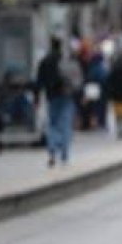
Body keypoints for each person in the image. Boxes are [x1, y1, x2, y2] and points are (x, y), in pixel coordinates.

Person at [36, 37, 82, 167]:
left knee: (52, 124)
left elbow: (39, 81)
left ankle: (52, 150)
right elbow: (77, 80)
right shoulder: (66, 61)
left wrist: (37, 98)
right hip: (67, 96)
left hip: (51, 97)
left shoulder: (44, 61)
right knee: (65, 124)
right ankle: (64, 154)